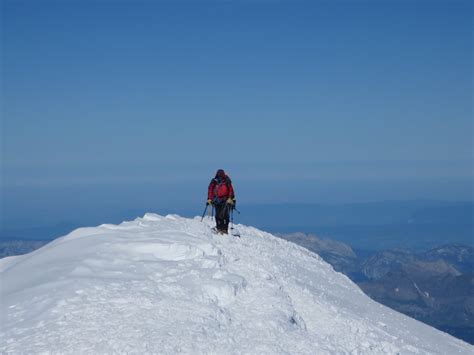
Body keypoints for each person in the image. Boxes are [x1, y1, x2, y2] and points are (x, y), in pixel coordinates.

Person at [207, 169, 236, 234]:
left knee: (221, 215)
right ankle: (222, 228)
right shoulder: (223, 181)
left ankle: (222, 228)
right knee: (221, 215)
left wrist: (209, 199)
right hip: (221, 200)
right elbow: (231, 190)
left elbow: (210, 190)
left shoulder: (220, 181)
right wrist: (231, 198)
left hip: (221, 200)